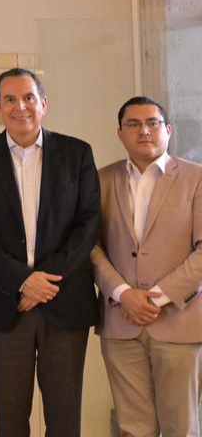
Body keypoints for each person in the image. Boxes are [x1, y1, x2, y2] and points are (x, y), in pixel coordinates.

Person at [0, 68, 100, 437]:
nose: (19, 106)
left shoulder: (77, 153)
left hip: (64, 302)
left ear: (44, 104)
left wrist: (43, 283)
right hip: (6, 305)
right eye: (10, 99)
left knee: (65, 421)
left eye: (28, 98)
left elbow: (88, 225)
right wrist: (23, 281)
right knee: (9, 422)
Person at [91, 97, 202, 437]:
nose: (144, 131)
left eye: (153, 123)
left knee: (181, 427)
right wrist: (123, 294)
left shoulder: (196, 178)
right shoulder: (100, 179)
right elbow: (90, 247)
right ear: (120, 133)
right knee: (133, 428)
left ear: (168, 130)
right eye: (133, 124)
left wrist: (157, 297)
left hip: (180, 320)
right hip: (120, 322)